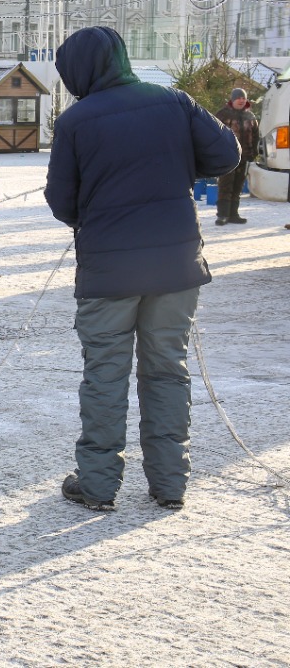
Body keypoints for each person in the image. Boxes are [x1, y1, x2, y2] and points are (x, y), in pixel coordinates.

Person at [45, 26, 239, 512]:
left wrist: (94, 218)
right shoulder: (173, 102)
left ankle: (97, 485)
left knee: (105, 375)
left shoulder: (76, 121)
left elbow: (61, 200)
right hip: (175, 266)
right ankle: (170, 484)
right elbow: (226, 154)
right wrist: (175, 167)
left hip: (109, 271)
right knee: (167, 371)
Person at [213, 87, 259, 225]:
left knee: (238, 185)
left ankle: (234, 214)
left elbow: (256, 136)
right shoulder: (222, 115)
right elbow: (213, 134)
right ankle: (222, 215)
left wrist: (254, 153)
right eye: (238, 98)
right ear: (232, 99)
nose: (241, 100)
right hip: (227, 156)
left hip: (244, 157)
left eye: (243, 98)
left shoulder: (250, 116)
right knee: (225, 184)